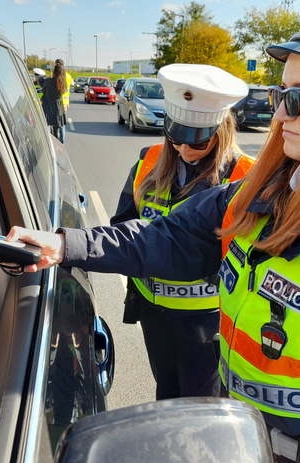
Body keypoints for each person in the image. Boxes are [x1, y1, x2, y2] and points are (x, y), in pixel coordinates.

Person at [6, 0, 300, 463]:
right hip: (231, 451)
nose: (279, 113)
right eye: (277, 94)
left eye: (299, 96)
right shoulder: (252, 198)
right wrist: (64, 244)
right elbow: (164, 238)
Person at [110, 63, 254, 400]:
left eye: (197, 143)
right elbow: (121, 223)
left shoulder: (245, 177)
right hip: (154, 316)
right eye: (175, 138)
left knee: (202, 410)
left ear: (222, 132)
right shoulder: (150, 160)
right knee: (166, 393)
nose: (184, 150)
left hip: (208, 323)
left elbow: (257, 257)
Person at [41, 61, 68, 143]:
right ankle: (59, 144)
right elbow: (63, 92)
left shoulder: (48, 81)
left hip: (47, 106)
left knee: (47, 126)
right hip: (58, 107)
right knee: (57, 129)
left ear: (54, 71)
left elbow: (44, 91)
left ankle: (48, 143)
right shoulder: (63, 83)